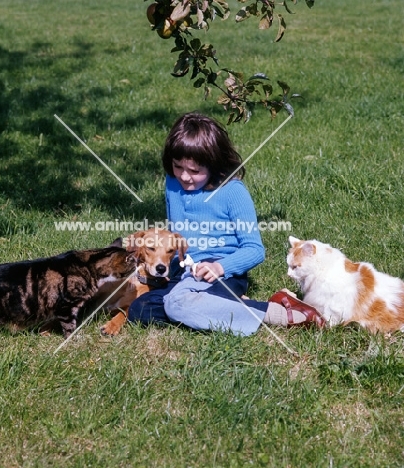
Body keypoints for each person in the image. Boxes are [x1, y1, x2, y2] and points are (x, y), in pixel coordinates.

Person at [127, 112, 324, 336]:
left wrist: (220, 267)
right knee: (140, 309)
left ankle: (274, 312)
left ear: (214, 165)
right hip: (185, 274)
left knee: (175, 304)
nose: (184, 176)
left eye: (195, 171)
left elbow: (255, 250)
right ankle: (219, 305)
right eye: (177, 166)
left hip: (223, 273)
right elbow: (177, 236)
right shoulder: (172, 183)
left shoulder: (232, 192)